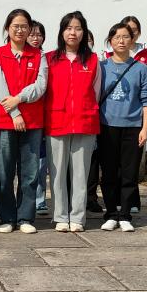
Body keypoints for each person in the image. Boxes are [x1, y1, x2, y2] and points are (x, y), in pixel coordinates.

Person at [0, 8, 47, 234]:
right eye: (16, 26)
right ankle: (6, 217)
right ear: (7, 28)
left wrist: (19, 99)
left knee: (30, 173)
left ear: (29, 28)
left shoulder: (39, 55)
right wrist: (15, 113)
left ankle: (25, 217)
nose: (20, 30)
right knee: (4, 172)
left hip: (33, 122)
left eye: (24, 26)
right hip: (5, 122)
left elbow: (40, 86)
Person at [44, 12, 100, 232]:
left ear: (84, 32)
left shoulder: (92, 60)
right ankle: (60, 216)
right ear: (61, 32)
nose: (73, 32)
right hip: (56, 121)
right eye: (68, 28)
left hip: (85, 122)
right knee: (57, 172)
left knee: (80, 172)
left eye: (77, 28)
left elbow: (97, 91)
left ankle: (77, 217)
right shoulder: (49, 59)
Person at [95, 14, 147, 214]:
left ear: (132, 40)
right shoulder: (101, 67)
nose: (121, 41)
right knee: (109, 173)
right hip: (106, 126)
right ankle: (111, 212)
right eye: (117, 37)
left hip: (133, 127)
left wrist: (145, 128)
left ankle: (126, 214)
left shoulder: (141, 69)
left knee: (129, 174)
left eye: (126, 37)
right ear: (110, 41)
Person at [27, 20, 50, 216]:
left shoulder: (47, 58)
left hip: (42, 117)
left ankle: (40, 198)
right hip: (21, 115)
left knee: (41, 161)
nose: (35, 38)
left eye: (39, 34)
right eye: (32, 34)